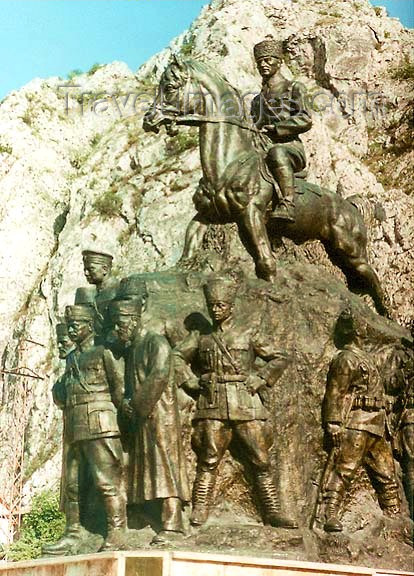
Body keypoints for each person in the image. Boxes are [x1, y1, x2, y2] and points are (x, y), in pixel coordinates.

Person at [174, 275, 296, 528]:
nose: (215, 310)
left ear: (230, 306)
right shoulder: (200, 337)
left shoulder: (248, 332)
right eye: (212, 305)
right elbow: (176, 358)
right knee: (208, 459)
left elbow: (280, 357)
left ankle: (272, 511)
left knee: (260, 459)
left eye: (220, 305)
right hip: (213, 403)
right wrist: (192, 382)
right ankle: (200, 509)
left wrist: (260, 377)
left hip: (246, 403)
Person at [43, 304, 127, 554]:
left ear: (90, 325)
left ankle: (117, 531)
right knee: (72, 486)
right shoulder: (73, 359)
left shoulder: (104, 352)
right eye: (69, 325)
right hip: (74, 426)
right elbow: (61, 396)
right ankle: (73, 534)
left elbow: (120, 389)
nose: (71, 329)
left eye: (76, 325)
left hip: (100, 424)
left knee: (106, 482)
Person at [111, 295, 190, 545]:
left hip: (160, 416)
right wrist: (126, 403)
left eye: (119, 324)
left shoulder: (156, 342)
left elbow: (157, 377)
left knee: (165, 466)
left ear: (133, 321)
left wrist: (134, 405)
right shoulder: (133, 347)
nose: (116, 330)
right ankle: (148, 516)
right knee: (145, 468)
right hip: (143, 417)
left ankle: (173, 524)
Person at [322, 308, 400, 532]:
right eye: (362, 324)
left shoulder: (365, 357)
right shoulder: (346, 358)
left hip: (377, 423)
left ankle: (395, 518)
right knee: (345, 469)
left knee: (386, 473)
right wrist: (334, 422)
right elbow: (335, 391)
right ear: (356, 329)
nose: (366, 327)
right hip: (357, 422)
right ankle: (330, 513)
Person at [251, 36, 312, 222]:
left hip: (289, 147)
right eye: (259, 62)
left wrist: (277, 128)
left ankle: (288, 203)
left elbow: (305, 118)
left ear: (279, 62)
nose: (263, 65)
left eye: (268, 60)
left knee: (277, 153)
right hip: (264, 147)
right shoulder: (256, 100)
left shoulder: (294, 87)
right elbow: (255, 126)